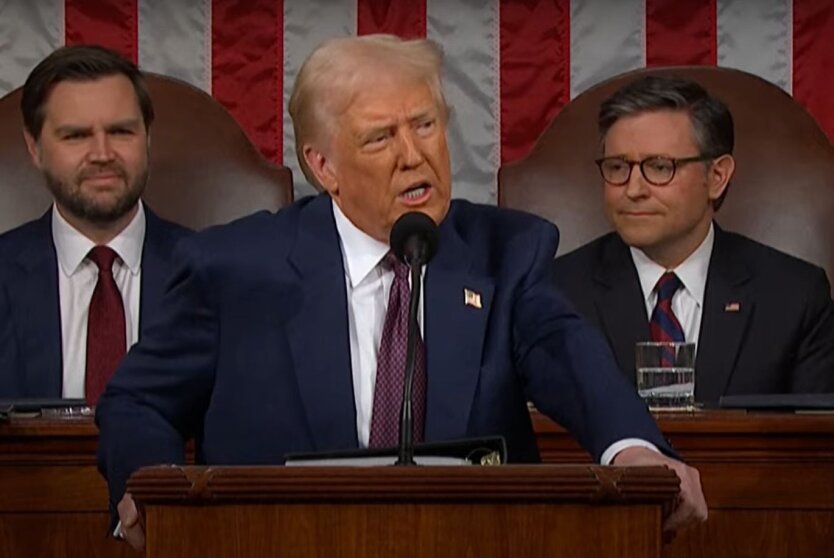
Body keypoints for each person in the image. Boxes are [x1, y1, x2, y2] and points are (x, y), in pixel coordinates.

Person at [96, 35, 706, 550]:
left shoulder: (506, 253)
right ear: (324, 166)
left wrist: (632, 449)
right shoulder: (234, 268)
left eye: (425, 125)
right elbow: (135, 402)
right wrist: (154, 491)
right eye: (380, 138)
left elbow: (569, 359)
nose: (414, 156)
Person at [552, 75, 834, 404]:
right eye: (617, 167)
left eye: (659, 167)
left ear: (716, 177)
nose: (633, 190)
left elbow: (813, 448)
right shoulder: (555, 292)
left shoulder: (793, 296)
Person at [0, 45, 190, 403]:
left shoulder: (210, 274)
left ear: (147, 138)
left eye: (121, 132)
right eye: (76, 135)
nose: (102, 154)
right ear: (34, 147)